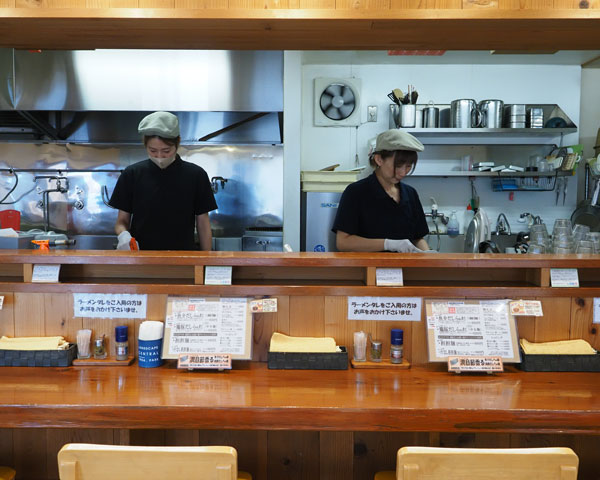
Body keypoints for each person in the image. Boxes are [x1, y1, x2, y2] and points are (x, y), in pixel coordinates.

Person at [109, 111, 217, 250]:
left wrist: (205, 260)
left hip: (184, 257)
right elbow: (121, 221)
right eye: (153, 150)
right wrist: (123, 235)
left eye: (166, 150)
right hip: (142, 258)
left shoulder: (196, 175)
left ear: (177, 142)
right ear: (145, 145)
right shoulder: (132, 174)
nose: (160, 156)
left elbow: (203, 223)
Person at [332, 129, 430, 253]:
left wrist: (427, 256)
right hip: (368, 269)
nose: (403, 172)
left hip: (404, 270)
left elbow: (417, 238)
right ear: (379, 160)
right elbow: (343, 242)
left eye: (408, 166)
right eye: (398, 166)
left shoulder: (410, 194)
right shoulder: (356, 192)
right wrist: (387, 244)